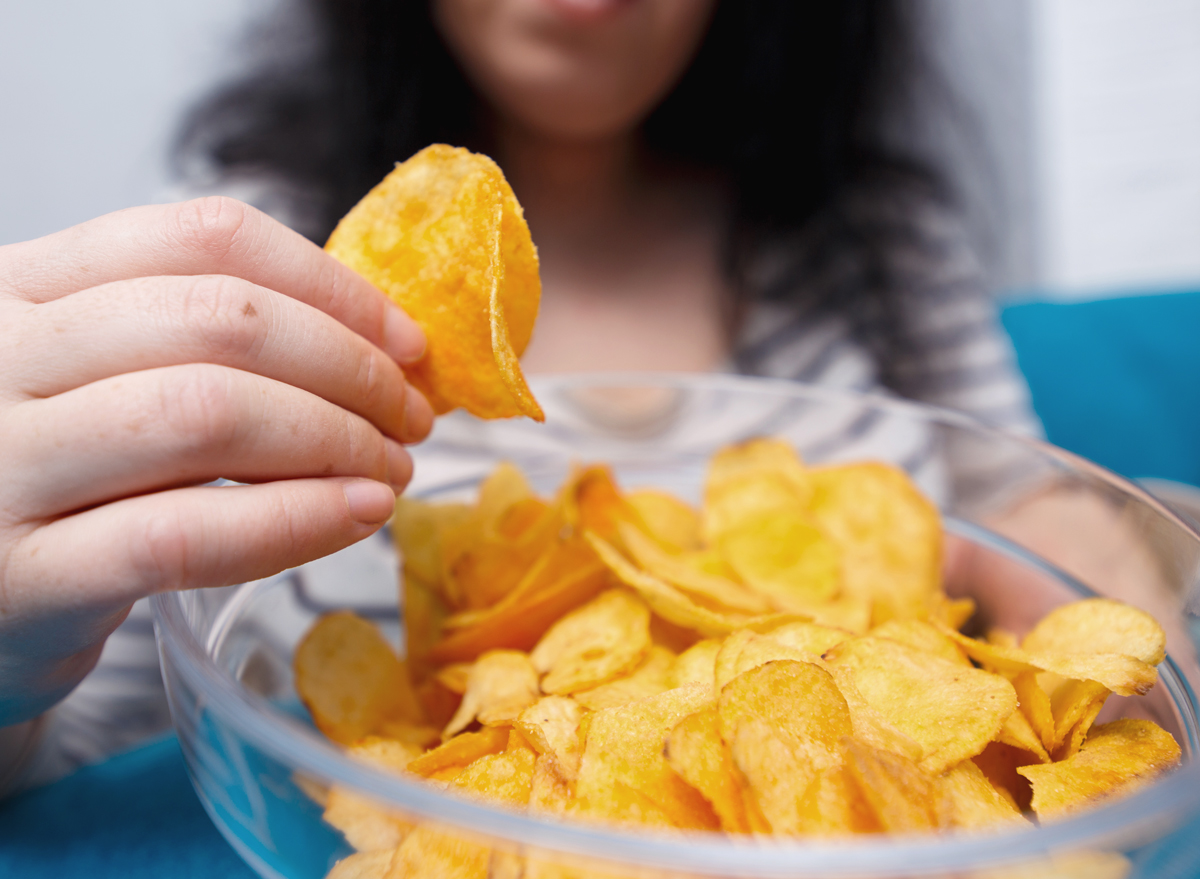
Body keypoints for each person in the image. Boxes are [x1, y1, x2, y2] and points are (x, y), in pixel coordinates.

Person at [0, 0, 1039, 791]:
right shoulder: (245, 278)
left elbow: (1026, 509)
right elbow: (71, 755)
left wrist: (1124, 560)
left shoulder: (872, 241)